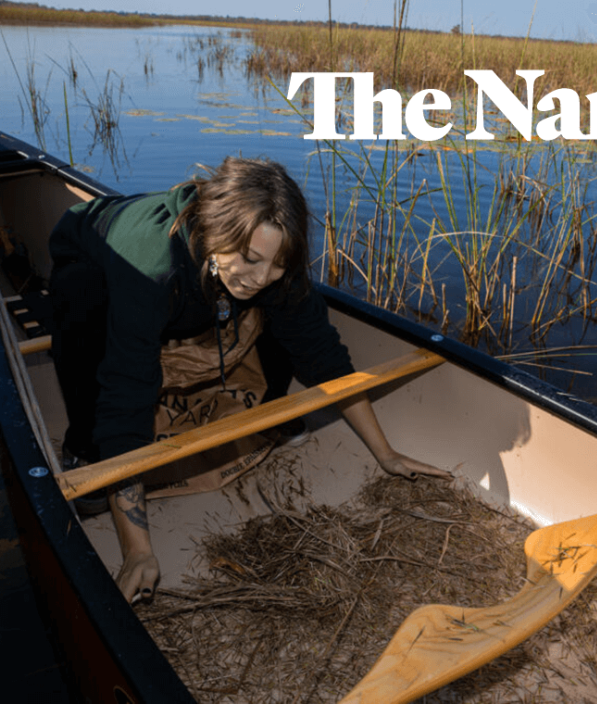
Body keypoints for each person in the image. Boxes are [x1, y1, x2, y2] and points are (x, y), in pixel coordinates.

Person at [48, 157, 449, 603]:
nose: (260, 277)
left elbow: (323, 356)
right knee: (87, 321)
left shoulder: (271, 266)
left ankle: (270, 415)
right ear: (217, 230)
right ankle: (83, 449)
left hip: (197, 273)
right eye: (251, 258)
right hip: (93, 262)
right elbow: (126, 397)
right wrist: (138, 551)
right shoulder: (150, 266)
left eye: (275, 264)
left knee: (287, 311)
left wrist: (386, 453)